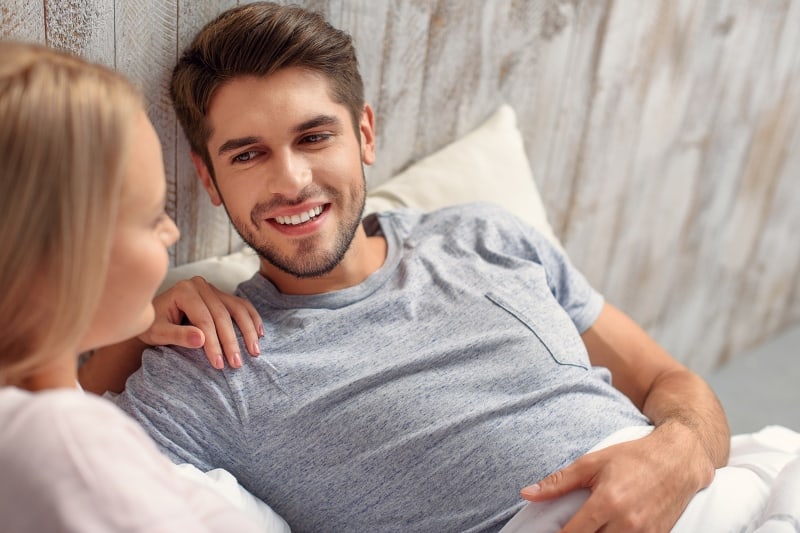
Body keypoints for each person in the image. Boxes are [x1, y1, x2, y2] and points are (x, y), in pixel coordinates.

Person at [87, 3, 798, 532]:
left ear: (364, 133)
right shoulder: (214, 365)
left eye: (314, 136)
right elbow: (51, 444)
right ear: (209, 181)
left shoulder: (483, 234)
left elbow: (670, 383)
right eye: (248, 154)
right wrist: (144, 313)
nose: (293, 179)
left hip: (719, 495)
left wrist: (676, 453)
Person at [0, 41, 287, 532]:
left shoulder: (43, 415)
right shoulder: (65, 447)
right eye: (153, 216)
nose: (172, 232)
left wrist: (127, 328)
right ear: (64, 254)